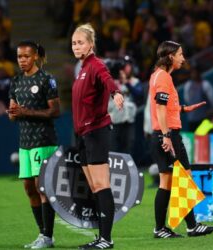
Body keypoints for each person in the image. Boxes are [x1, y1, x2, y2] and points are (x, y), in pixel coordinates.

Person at [149, 40, 213, 238]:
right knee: (179, 180)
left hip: (163, 133)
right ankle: (168, 228)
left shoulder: (158, 76)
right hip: (167, 135)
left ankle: (186, 226)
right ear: (171, 56)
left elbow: (162, 107)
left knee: (175, 181)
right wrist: (166, 136)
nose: (183, 58)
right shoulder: (163, 77)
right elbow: (160, 109)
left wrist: (181, 109)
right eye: (180, 54)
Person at [71, 23, 124, 250]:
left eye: (80, 42)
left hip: (96, 132)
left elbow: (107, 79)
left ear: (91, 44)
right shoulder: (82, 68)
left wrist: (116, 92)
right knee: (94, 187)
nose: (76, 46)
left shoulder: (95, 65)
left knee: (102, 185)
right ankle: (101, 237)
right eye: (73, 43)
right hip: (83, 135)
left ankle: (106, 239)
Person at [8, 41, 60, 248]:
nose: (22, 60)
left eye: (26, 56)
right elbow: (14, 114)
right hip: (25, 142)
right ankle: (43, 234)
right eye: (19, 57)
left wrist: (25, 112)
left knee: (43, 187)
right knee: (29, 188)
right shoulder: (16, 81)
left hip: (43, 140)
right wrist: (13, 113)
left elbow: (55, 111)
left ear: (36, 56)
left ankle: (47, 236)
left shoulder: (47, 79)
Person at [183, 64, 213, 131]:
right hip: (192, 120)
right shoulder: (188, 85)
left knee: (205, 138)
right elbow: (187, 100)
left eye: (195, 72)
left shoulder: (205, 84)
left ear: (199, 73)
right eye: (192, 72)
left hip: (204, 119)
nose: (194, 74)